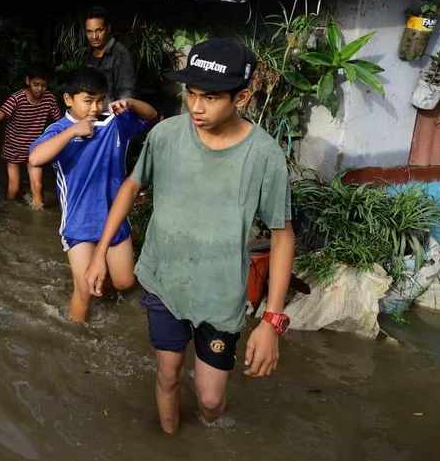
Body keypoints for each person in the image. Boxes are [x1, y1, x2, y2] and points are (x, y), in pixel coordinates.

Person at [87, 38, 295, 434]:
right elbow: (131, 187)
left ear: (243, 97)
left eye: (211, 98)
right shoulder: (165, 136)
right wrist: (100, 254)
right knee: (167, 375)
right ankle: (170, 444)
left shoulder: (264, 157)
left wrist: (272, 320)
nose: (196, 107)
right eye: (191, 94)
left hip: (220, 294)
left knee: (211, 399)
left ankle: (206, 431)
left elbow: (283, 236)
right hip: (166, 280)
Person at [29, 68, 159, 322]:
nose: (94, 107)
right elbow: (34, 157)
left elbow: (153, 116)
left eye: (100, 99)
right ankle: (74, 342)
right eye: (88, 101)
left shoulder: (115, 122)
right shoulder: (58, 130)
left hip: (115, 215)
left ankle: (102, 280)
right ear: (68, 99)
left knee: (124, 281)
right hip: (79, 222)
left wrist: (130, 103)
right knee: (85, 291)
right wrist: (72, 132)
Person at [0, 66, 61, 209]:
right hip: (13, 148)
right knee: (13, 189)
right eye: (36, 84)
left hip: (34, 149)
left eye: (43, 85)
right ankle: (9, 214)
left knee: (37, 188)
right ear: (28, 81)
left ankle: (36, 224)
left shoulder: (49, 99)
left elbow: (60, 122)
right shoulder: (16, 99)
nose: (39, 89)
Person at [83, 6, 137, 101]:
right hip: (91, 111)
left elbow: (127, 93)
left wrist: (117, 112)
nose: (94, 36)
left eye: (99, 30)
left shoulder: (120, 53)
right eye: (89, 32)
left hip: (112, 112)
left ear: (108, 28)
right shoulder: (88, 53)